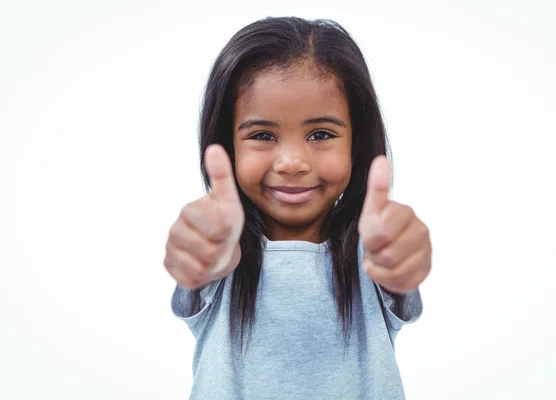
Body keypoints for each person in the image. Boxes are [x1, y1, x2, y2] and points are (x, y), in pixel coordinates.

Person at [164, 16, 432, 400]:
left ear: (356, 144)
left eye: (320, 134)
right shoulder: (220, 252)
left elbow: (402, 274)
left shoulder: (371, 252)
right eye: (263, 135)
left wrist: (406, 256)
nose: (292, 162)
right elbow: (193, 266)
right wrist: (196, 257)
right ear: (227, 145)